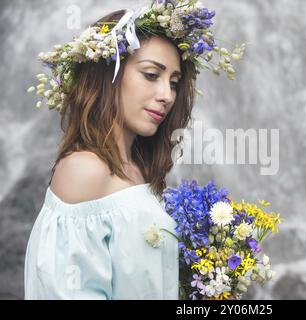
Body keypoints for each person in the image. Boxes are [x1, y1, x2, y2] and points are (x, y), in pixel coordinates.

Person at [24, 0, 244, 299]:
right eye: (152, 75)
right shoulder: (84, 171)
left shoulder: (140, 169)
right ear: (108, 75)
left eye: (175, 83)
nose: (167, 95)